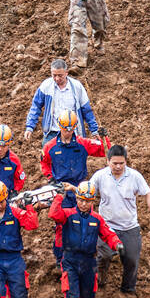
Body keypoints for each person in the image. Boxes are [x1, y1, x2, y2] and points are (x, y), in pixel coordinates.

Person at [49, 181, 124, 298]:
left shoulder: (96, 219)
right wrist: (59, 196)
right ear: (76, 198)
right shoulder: (68, 214)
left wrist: (117, 244)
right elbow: (54, 215)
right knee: (71, 297)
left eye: (88, 201)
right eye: (81, 200)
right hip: (70, 260)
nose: (84, 204)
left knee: (88, 296)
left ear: (93, 201)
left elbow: (108, 234)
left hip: (89, 261)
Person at [90, 145, 150, 294]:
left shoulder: (134, 176)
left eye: (121, 163)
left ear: (126, 161)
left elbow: (148, 195)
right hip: (106, 226)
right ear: (108, 161)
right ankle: (99, 280)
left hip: (129, 226)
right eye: (114, 163)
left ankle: (128, 289)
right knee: (104, 256)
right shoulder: (100, 176)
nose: (118, 166)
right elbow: (86, 193)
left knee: (131, 260)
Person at [41, 110, 106, 265]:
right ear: (59, 126)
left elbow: (104, 151)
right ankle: (60, 258)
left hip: (80, 188)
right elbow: (44, 163)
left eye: (71, 129)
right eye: (65, 128)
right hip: (62, 189)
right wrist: (50, 178)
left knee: (86, 221)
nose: (68, 132)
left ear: (75, 127)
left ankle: (87, 253)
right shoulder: (50, 146)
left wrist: (104, 138)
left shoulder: (83, 143)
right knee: (61, 224)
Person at [23, 59, 100, 147]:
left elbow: (86, 110)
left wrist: (94, 130)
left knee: (74, 158)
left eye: (60, 75)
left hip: (72, 132)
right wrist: (30, 127)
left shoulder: (77, 87)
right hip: (52, 133)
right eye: (54, 75)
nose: (57, 78)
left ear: (66, 73)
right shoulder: (46, 86)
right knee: (48, 158)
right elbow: (36, 106)